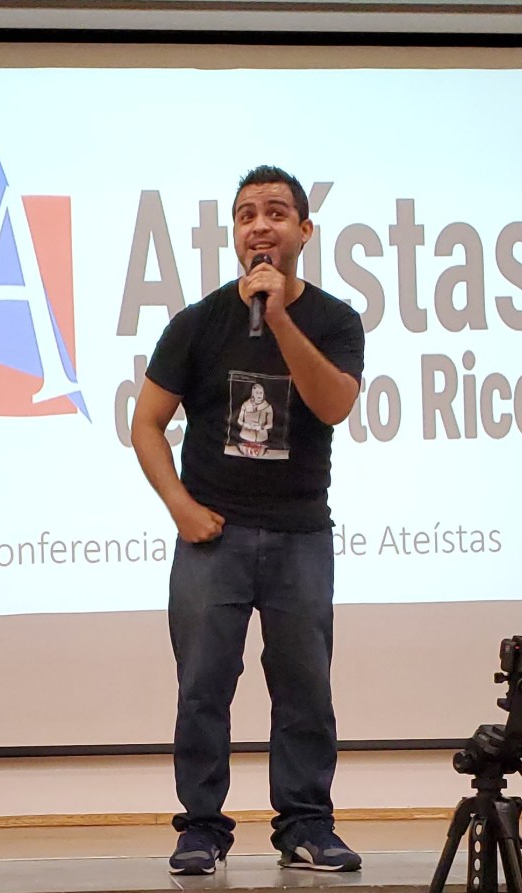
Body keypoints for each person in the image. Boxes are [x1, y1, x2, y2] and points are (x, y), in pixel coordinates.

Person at [130, 165, 365, 876]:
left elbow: (333, 404)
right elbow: (145, 423)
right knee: (203, 685)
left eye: (276, 213)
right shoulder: (198, 323)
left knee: (303, 687)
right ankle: (201, 826)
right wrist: (179, 504)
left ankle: (305, 824)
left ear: (303, 230)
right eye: (246, 215)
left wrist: (281, 316)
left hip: (300, 534)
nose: (260, 225)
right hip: (214, 537)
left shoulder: (333, 319)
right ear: (235, 232)